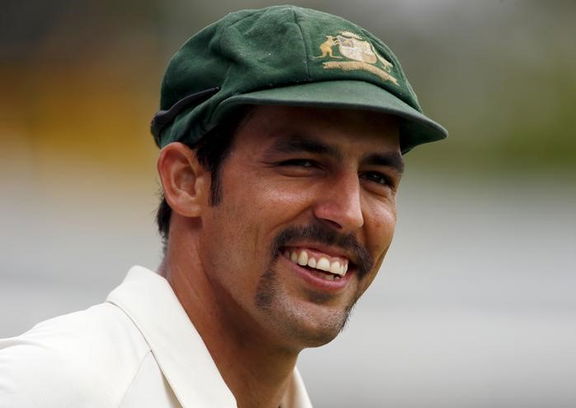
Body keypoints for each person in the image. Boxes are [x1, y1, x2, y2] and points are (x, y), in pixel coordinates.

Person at [0, 5, 447, 408]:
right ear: (186, 181)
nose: (349, 212)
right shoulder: (46, 387)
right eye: (303, 163)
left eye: (376, 178)